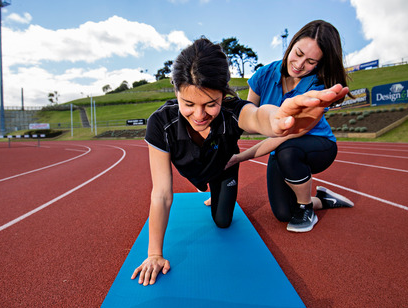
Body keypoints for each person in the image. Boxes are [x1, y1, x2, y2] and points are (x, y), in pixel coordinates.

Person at [131, 37, 348, 286]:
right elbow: (161, 194)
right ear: (176, 91)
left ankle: (220, 187)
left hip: (224, 167)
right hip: (197, 170)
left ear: (223, 94)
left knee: (223, 222)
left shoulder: (232, 111)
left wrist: (276, 119)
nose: (199, 115)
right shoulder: (161, 123)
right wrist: (154, 254)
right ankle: (210, 184)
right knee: (205, 187)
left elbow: (257, 116)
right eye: (188, 104)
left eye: (211, 104)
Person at [233, 20, 355, 233]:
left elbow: (285, 137)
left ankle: (306, 206)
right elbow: (247, 119)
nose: (299, 65)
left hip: (317, 146)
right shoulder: (264, 74)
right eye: (298, 53)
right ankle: (322, 199)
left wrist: (241, 157)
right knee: (284, 214)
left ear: (319, 64)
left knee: (287, 150)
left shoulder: (317, 88)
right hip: (281, 148)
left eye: (310, 61)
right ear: (291, 45)